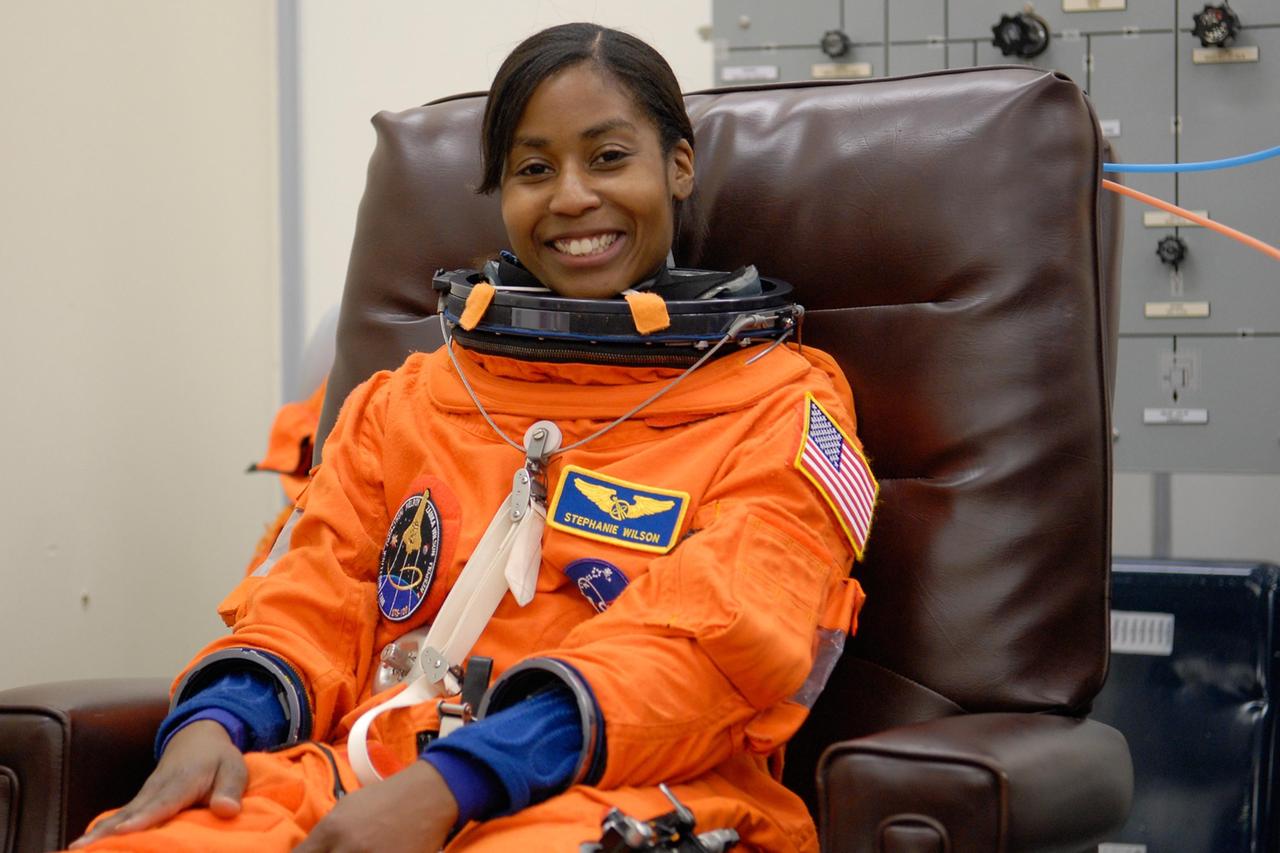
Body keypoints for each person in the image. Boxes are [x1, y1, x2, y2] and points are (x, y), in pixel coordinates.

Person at [71, 22, 875, 853]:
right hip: (359, 771)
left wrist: (458, 780)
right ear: (501, 193)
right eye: (534, 169)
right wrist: (219, 718)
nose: (569, 198)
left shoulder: (781, 404)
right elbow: (311, 592)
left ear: (678, 165)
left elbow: (726, 641)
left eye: (607, 158)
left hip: (627, 792)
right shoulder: (409, 401)